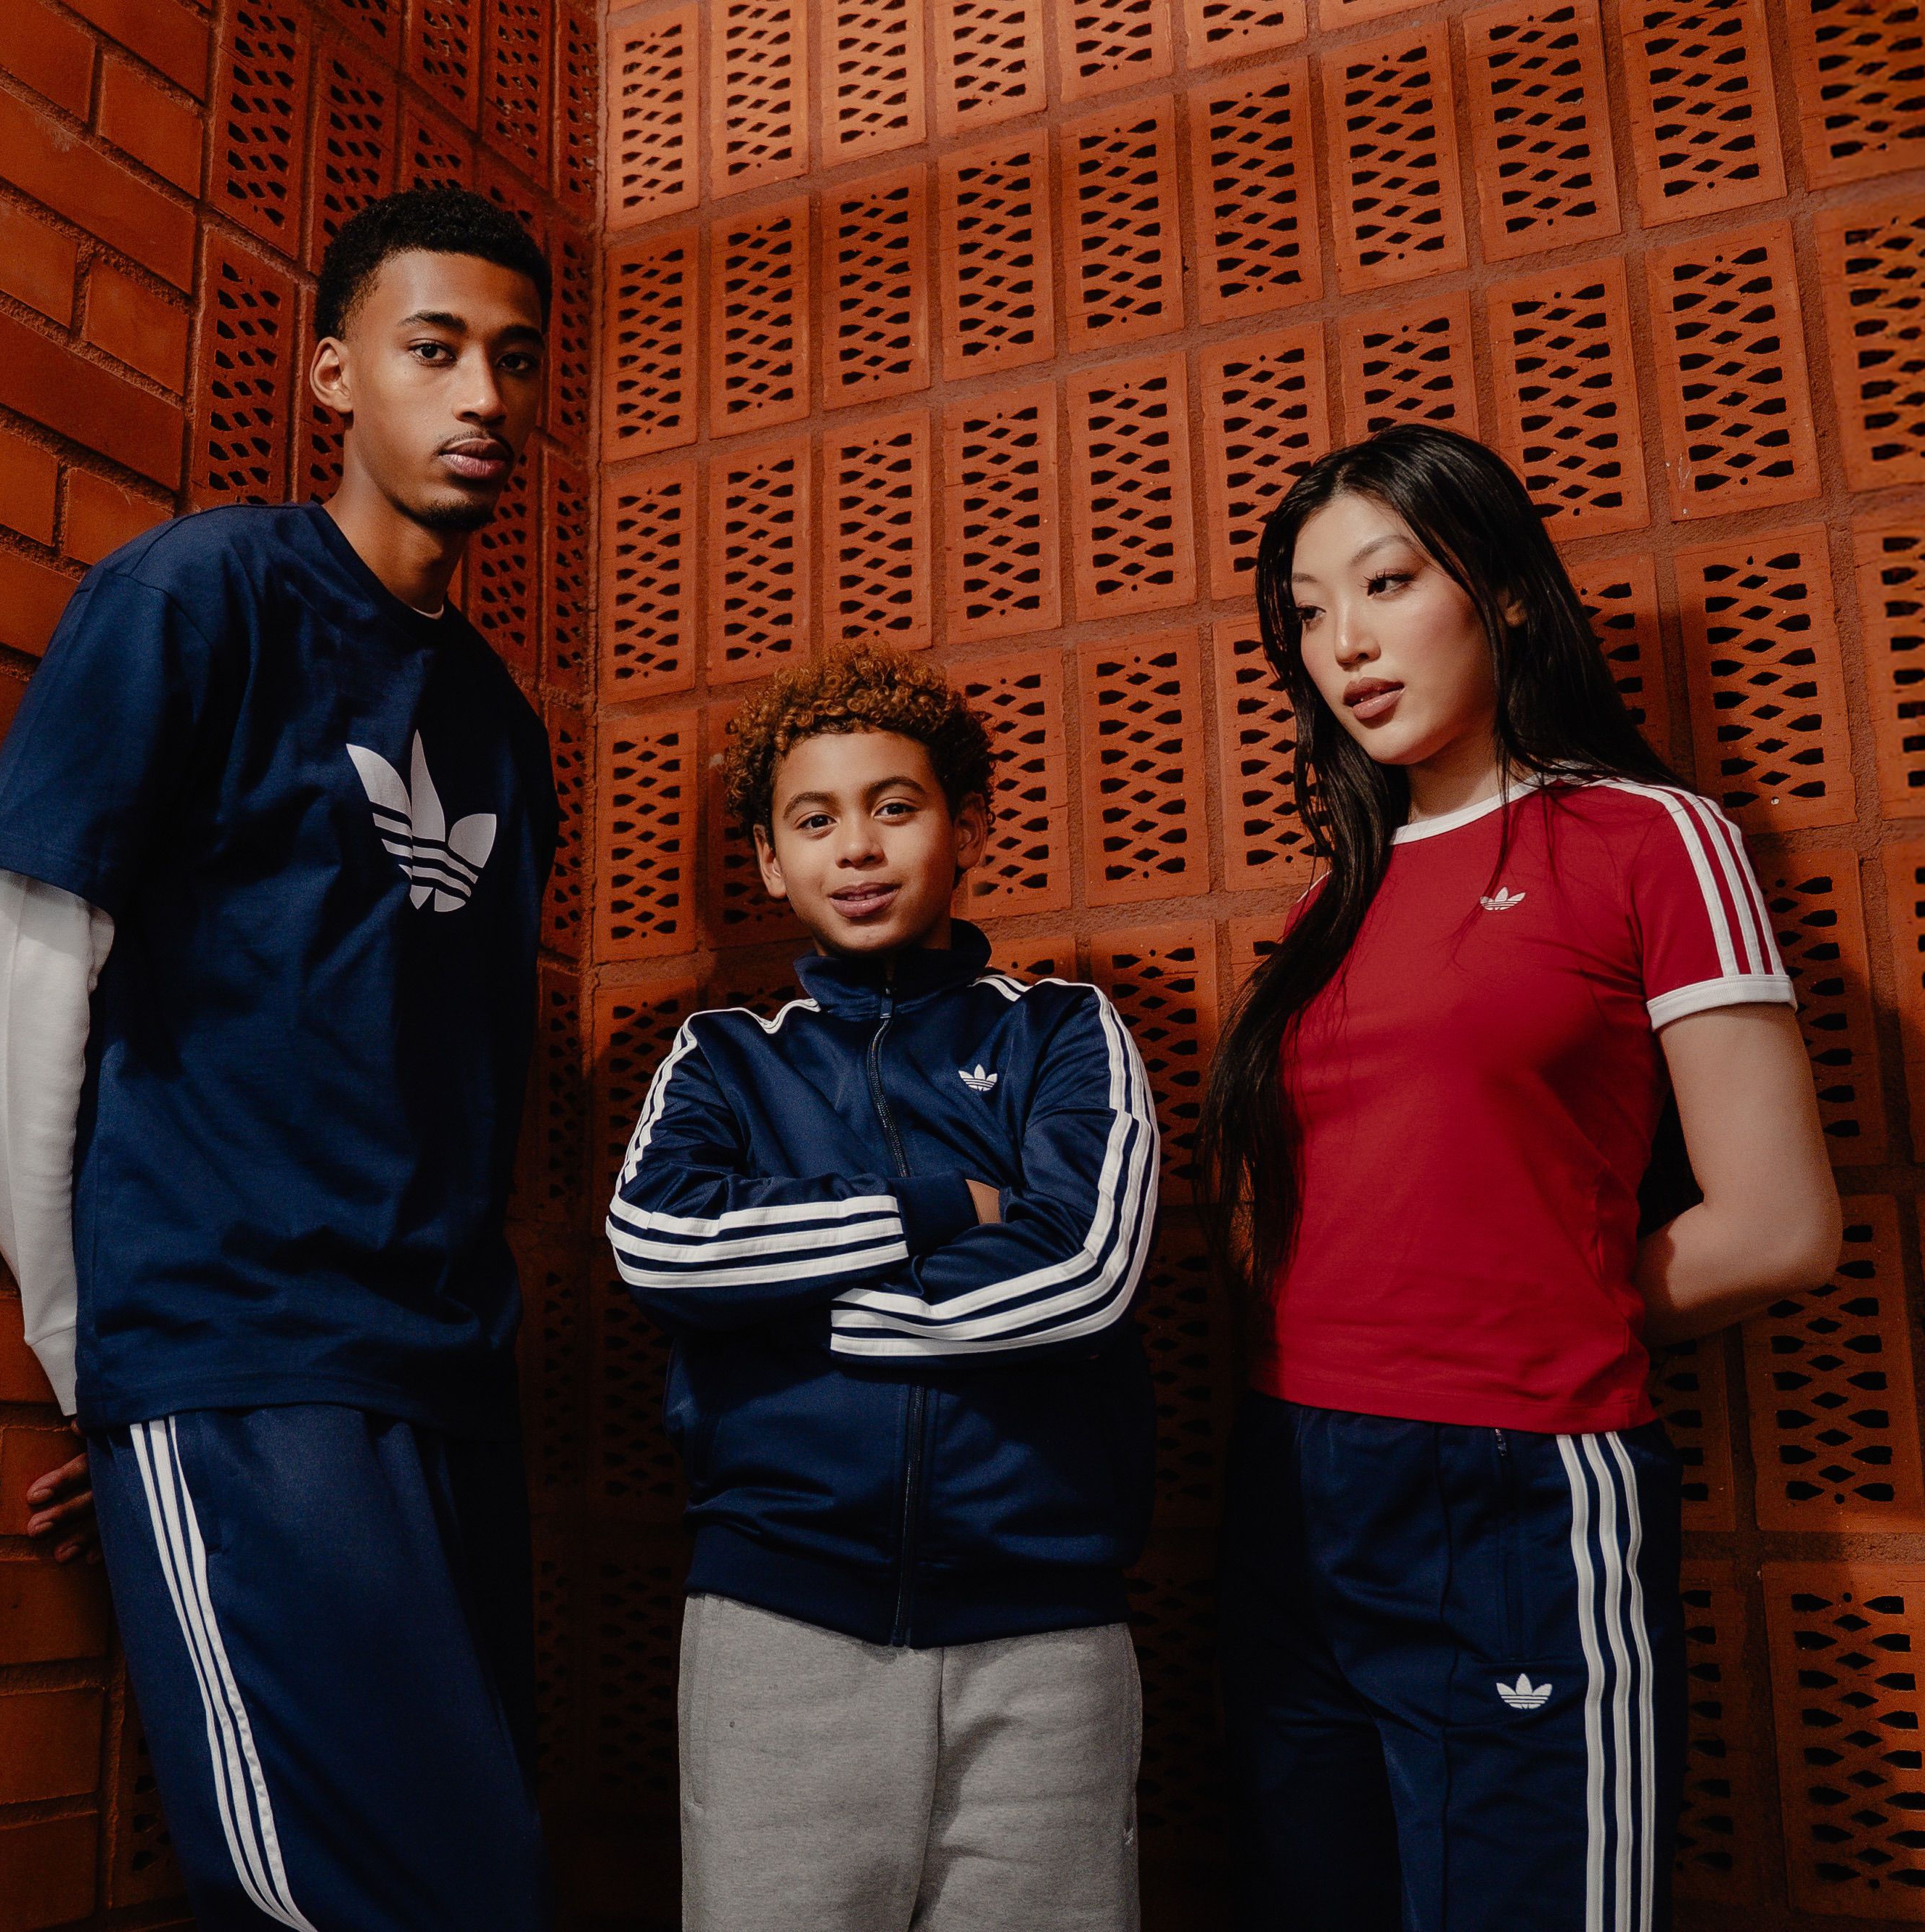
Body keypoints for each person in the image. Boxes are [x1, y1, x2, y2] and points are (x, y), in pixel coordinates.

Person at [0, 187, 559, 1931]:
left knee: (483, 1877)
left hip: (443, 1380)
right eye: (433, 350)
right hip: (247, 1349)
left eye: (511, 357)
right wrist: (95, 1341)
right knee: (351, 1896)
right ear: (335, 373)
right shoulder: (202, 595)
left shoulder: (501, 723)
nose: (479, 394)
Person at [1203, 425, 1841, 1932]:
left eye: (1384, 580)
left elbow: (1778, 1223)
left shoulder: (1647, 837)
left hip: (1513, 1485)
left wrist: (1521, 1321)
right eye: (1303, 611)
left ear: (1502, 593)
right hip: (1289, 1484)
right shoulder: (1326, 899)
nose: (1340, 642)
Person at [607, 644, 1159, 1932]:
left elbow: (1080, 1277)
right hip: (774, 1628)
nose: (854, 846)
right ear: (767, 860)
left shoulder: (1062, 1031)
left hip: (1044, 1637)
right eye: (815, 818)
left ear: (966, 828)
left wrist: (778, 1324)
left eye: (892, 806)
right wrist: (929, 1211)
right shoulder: (724, 1060)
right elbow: (659, 1248)